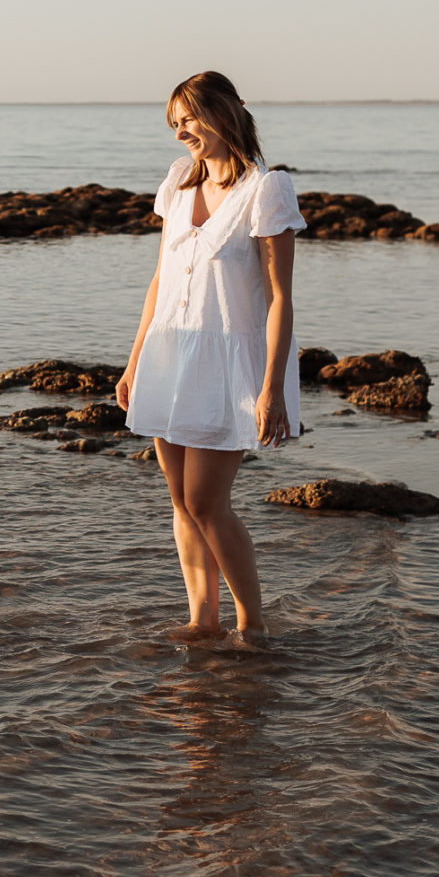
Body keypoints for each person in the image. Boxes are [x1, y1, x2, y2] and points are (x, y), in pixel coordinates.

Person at [116, 70, 303, 644]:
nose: (181, 134)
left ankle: (252, 624)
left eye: (189, 119)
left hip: (228, 365)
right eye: (175, 124)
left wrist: (271, 388)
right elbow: (160, 279)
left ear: (226, 109)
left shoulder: (266, 189)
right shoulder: (177, 183)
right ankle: (203, 619)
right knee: (180, 501)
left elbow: (279, 298)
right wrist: (134, 360)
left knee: (205, 500)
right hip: (169, 352)